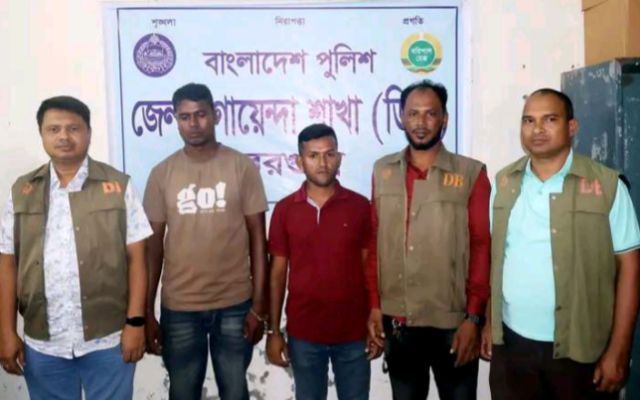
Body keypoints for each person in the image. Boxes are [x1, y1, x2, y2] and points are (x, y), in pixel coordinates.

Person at [483, 88, 640, 400]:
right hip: (513, 346)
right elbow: (498, 258)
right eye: (529, 120)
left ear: (572, 127)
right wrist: (489, 323)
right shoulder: (504, 182)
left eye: (549, 119)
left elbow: (630, 269)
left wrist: (619, 350)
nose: (537, 129)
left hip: (583, 348)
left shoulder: (607, 185)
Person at [0, 96, 151, 400]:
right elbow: (7, 263)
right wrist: (6, 331)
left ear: (88, 133)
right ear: (42, 134)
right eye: (54, 129)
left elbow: (138, 259)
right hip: (44, 344)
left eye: (73, 128)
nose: (64, 137)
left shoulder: (117, 186)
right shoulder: (22, 191)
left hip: (108, 339)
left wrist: (136, 323)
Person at [367, 80, 491, 400]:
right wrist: (375, 306)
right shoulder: (383, 171)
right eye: (413, 114)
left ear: (444, 119)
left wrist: (474, 318)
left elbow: (481, 246)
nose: (420, 123)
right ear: (401, 118)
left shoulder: (470, 173)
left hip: (454, 324)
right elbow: (376, 241)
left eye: (430, 114)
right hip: (399, 323)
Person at [143, 83, 269, 400]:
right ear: (176, 120)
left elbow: (258, 239)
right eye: (185, 117)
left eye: (201, 114)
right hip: (180, 307)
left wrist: (258, 306)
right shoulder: (162, 173)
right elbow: (153, 248)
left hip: (235, 304)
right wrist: (146, 310)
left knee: (235, 391)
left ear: (215, 115)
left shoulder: (241, 166)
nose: (194, 123)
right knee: (183, 392)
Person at [266, 123, 379, 400]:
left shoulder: (359, 207)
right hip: (304, 333)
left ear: (339, 158)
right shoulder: (285, 210)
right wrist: (273, 331)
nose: (322, 163)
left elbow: (370, 268)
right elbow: (277, 273)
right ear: (299, 162)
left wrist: (375, 317)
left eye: (329, 154)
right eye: (313, 156)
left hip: (354, 333)